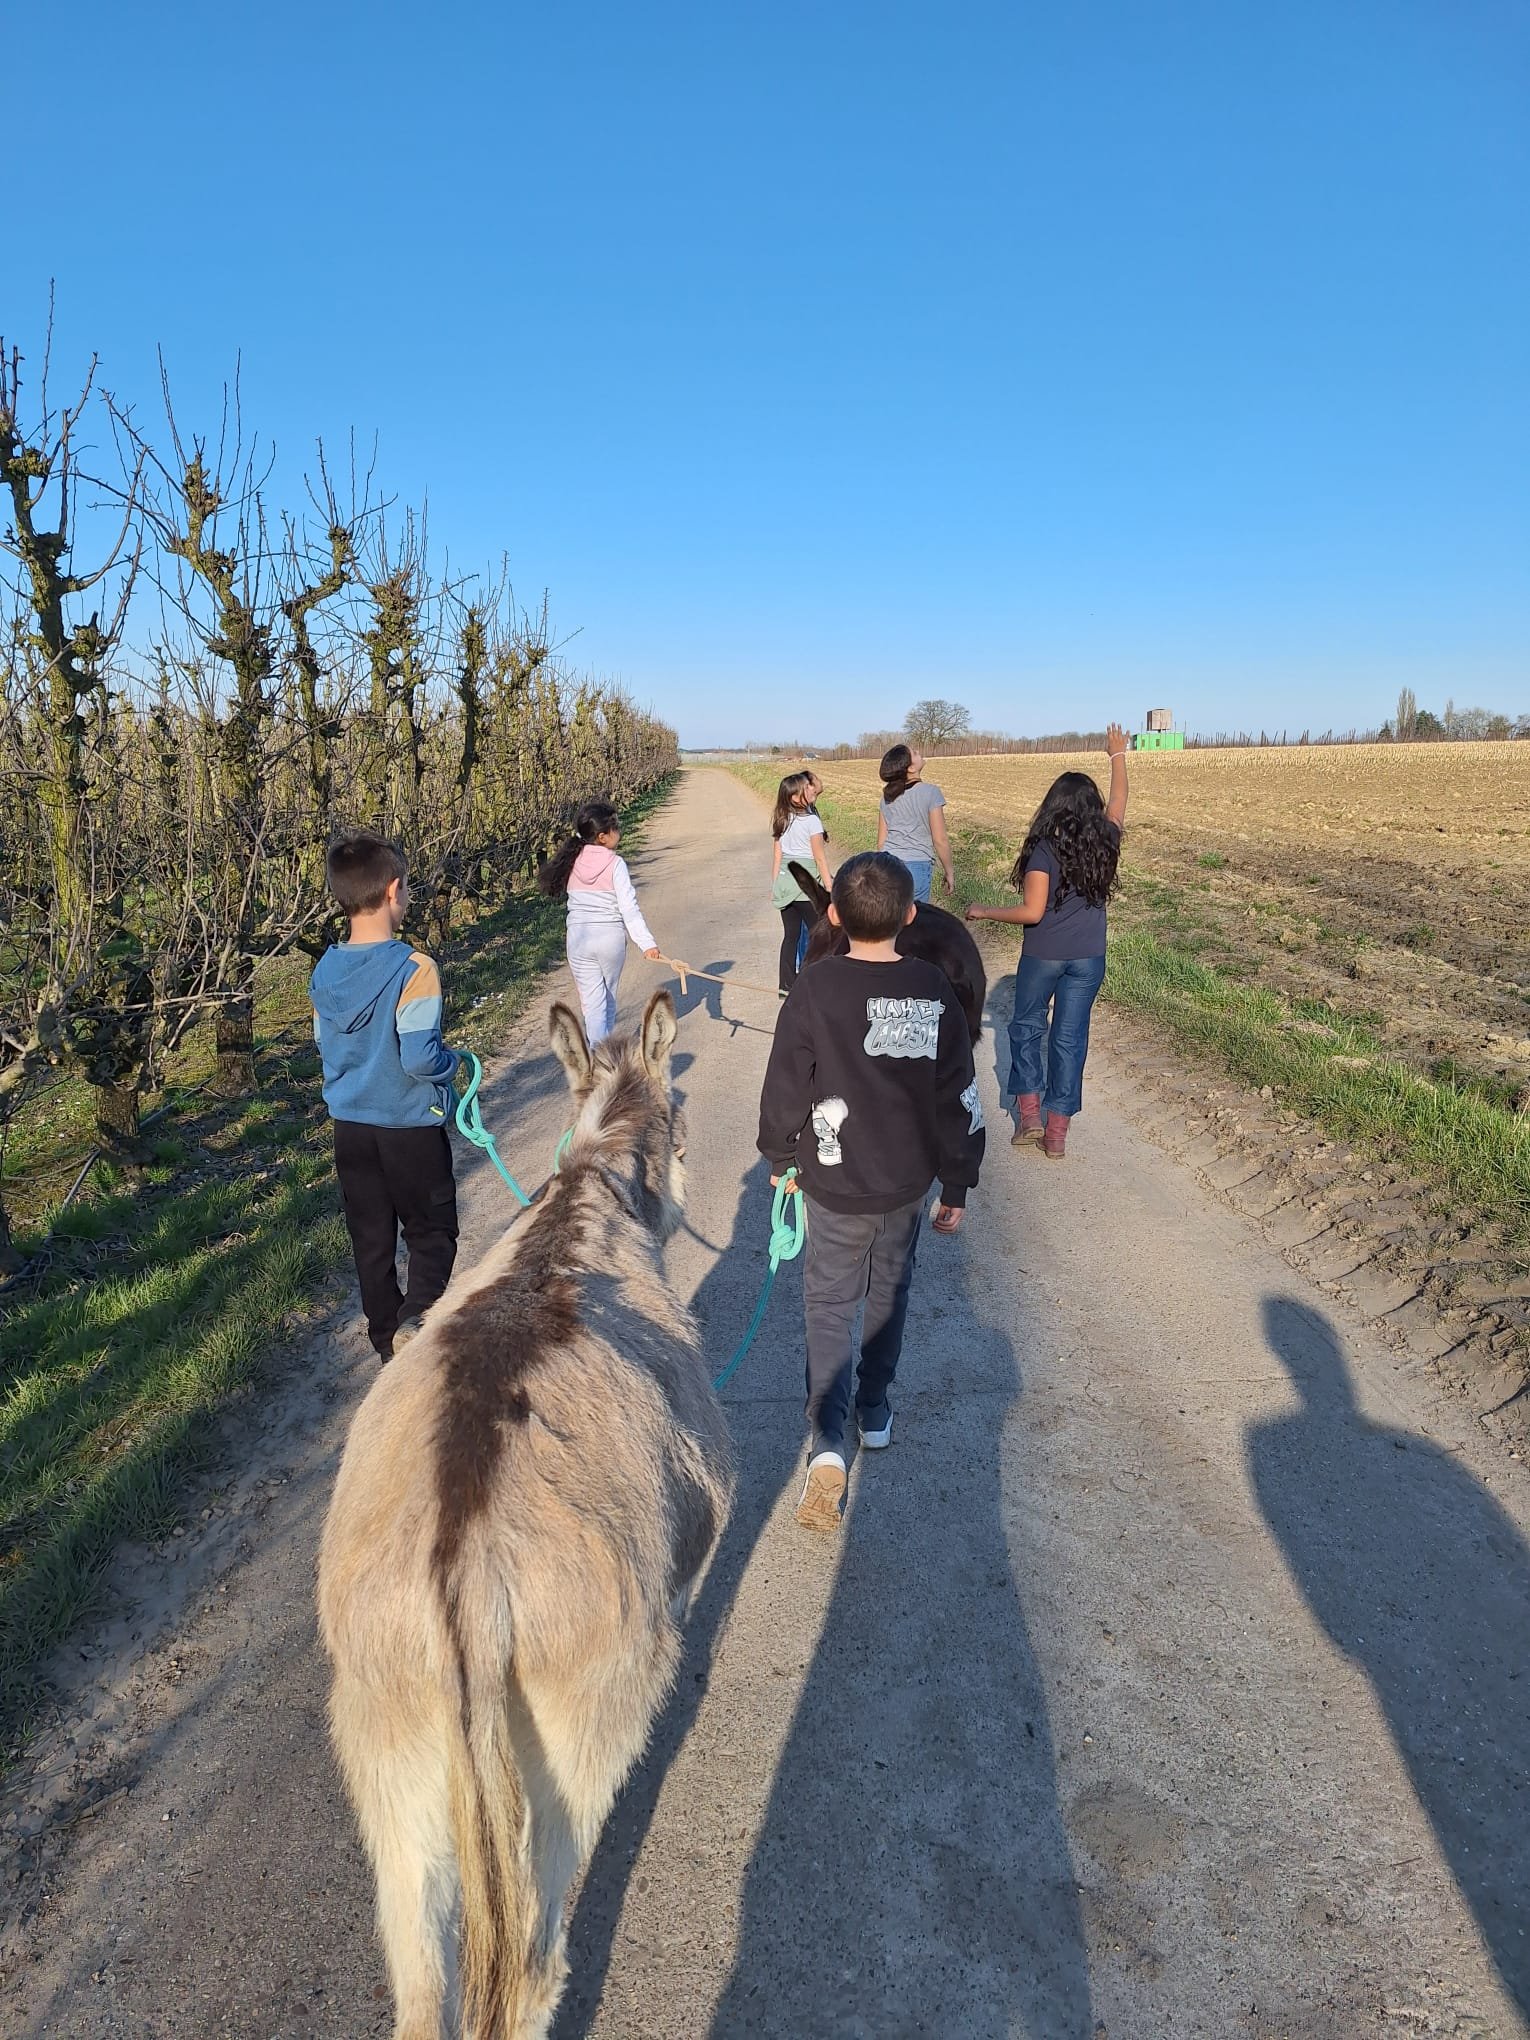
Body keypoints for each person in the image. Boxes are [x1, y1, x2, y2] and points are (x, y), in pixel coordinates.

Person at [758, 851, 986, 1532]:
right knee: (890, 1290)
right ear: (910, 917)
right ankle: (875, 1409)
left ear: (832, 914)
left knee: (829, 1303)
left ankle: (828, 1443)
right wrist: (959, 1179)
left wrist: (779, 1153)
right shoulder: (932, 989)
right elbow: (959, 1093)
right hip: (907, 1184)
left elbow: (785, 1082)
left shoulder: (815, 987)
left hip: (832, 1182)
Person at [310, 831, 461, 1363]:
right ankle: (420, 1325)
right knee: (431, 1231)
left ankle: (385, 1340)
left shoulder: (324, 970)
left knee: (371, 1239)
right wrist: (456, 1064)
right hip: (409, 1128)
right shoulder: (414, 969)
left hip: (350, 1129)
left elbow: (322, 1043)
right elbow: (421, 1058)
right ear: (394, 890)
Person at [965, 724, 1128, 1159]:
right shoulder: (1105, 842)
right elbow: (1118, 804)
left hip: (1043, 956)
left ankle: (1030, 1116)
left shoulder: (1044, 851)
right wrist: (1117, 756)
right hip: (1089, 959)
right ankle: (1056, 1135)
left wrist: (985, 911)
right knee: (1069, 1039)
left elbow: (1032, 913)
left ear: (1052, 807)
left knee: (1026, 1027)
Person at [539, 800, 662, 1045]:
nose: (620, 830)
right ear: (603, 837)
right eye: (615, 826)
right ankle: (602, 1054)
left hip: (579, 939)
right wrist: (647, 943)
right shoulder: (615, 864)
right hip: (610, 941)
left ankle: (599, 1053)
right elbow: (629, 909)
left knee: (592, 1003)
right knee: (607, 999)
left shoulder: (570, 859)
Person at [771, 771, 833, 993]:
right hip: (805, 885)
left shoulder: (782, 818)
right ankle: (815, 980)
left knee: (791, 936)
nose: (811, 789)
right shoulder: (812, 821)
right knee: (819, 934)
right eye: (805, 787)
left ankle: (786, 984)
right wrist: (829, 886)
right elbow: (819, 857)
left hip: (785, 882)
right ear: (797, 797)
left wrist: (775, 884)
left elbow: (777, 855)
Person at [877, 743, 954, 901]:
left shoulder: (887, 797)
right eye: (914, 753)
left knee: (891, 919)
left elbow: (881, 843)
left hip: (888, 865)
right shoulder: (931, 792)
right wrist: (949, 871)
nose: (919, 752)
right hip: (916, 866)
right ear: (910, 768)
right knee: (915, 921)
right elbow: (940, 840)